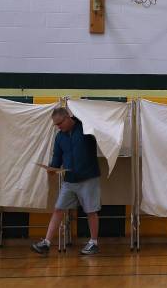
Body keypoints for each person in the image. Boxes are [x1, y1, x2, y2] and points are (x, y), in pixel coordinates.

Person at [31, 108, 101, 255]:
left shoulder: (85, 128)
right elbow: (57, 158)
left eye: (60, 123)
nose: (58, 127)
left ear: (68, 118)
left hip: (88, 177)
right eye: (56, 125)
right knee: (58, 209)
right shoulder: (59, 137)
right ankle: (47, 243)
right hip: (69, 180)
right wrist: (52, 169)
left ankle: (94, 242)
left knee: (91, 210)